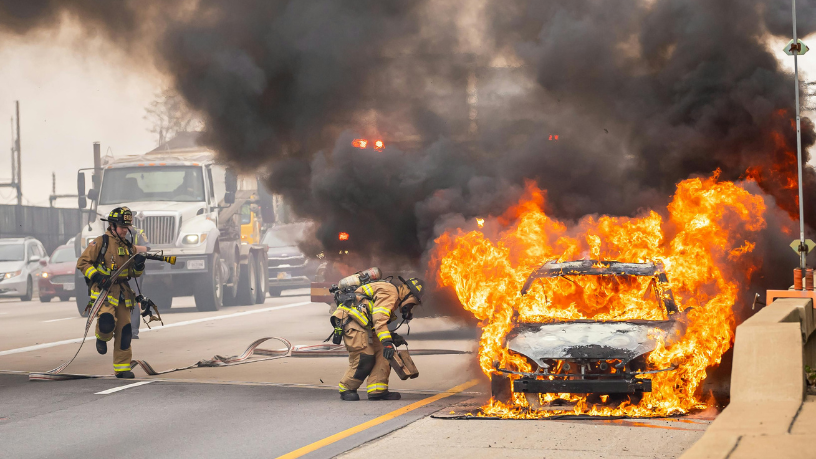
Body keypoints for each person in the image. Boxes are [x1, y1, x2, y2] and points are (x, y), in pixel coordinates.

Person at [76, 207, 146, 378]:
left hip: (123, 293)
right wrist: (99, 277)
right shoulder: (100, 242)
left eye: (127, 226)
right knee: (107, 322)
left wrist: (138, 265)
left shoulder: (129, 246)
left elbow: (133, 274)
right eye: (122, 226)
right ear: (112, 225)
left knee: (125, 331)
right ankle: (102, 337)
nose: (125, 230)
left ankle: (122, 369)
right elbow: (82, 262)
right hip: (104, 291)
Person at [331, 276, 424, 401]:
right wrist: (387, 341)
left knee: (384, 352)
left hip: (363, 323)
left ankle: (377, 390)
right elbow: (379, 318)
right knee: (365, 355)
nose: (411, 307)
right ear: (408, 292)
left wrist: (390, 338)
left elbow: (376, 321)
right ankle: (346, 388)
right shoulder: (391, 292)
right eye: (413, 302)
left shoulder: (392, 295)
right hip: (351, 320)